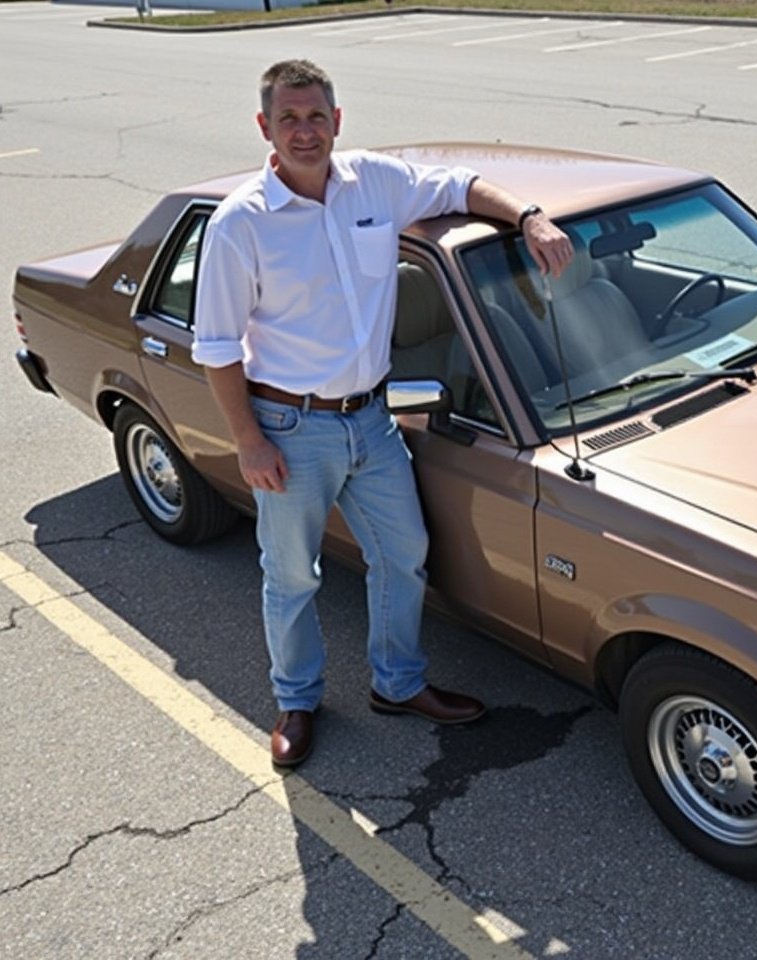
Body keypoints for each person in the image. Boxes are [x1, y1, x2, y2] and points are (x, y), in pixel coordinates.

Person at [192, 59, 572, 768]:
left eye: (315, 117)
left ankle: (397, 684)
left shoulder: (375, 182)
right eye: (288, 119)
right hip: (289, 428)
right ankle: (297, 701)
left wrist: (529, 217)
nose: (304, 132)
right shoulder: (241, 223)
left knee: (404, 555)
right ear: (264, 128)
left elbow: (460, 185)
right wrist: (248, 441)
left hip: (372, 420)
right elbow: (216, 348)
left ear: (337, 121)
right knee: (292, 575)